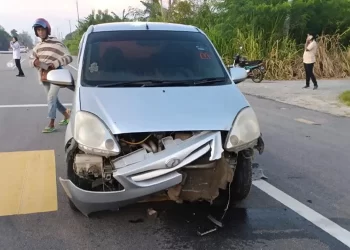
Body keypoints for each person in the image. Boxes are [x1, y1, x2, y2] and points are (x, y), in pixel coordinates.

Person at [29, 18, 73, 133]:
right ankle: (67, 115)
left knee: (51, 97)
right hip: (44, 75)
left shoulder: (56, 43)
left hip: (57, 74)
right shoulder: (37, 46)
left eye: (42, 29)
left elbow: (69, 57)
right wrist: (35, 62)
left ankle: (51, 123)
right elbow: (31, 59)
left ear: (47, 29)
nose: (40, 32)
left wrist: (54, 64)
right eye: (38, 30)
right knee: (54, 100)